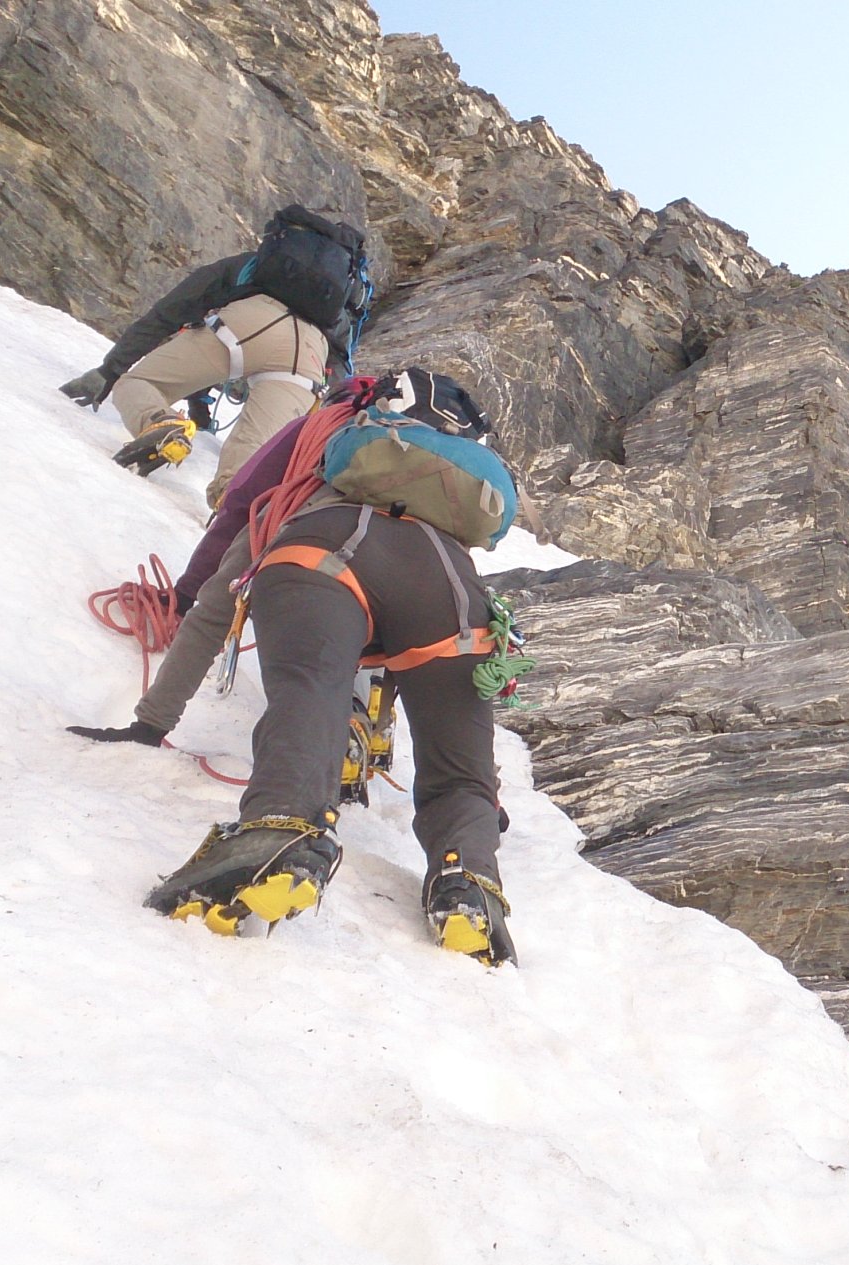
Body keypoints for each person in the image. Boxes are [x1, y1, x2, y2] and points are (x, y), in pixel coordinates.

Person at [73, 370, 519, 964]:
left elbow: (217, 598)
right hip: (450, 589)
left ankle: (281, 827)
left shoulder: (317, 450)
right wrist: (483, 791)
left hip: (323, 550)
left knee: (312, 686)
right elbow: (466, 728)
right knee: (456, 769)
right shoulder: (451, 493)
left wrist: (151, 722)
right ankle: (469, 885)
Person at [59, 206, 368, 506]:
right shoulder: (335, 307)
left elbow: (170, 312)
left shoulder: (249, 266)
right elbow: (340, 371)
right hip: (308, 355)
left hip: (245, 325)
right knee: (246, 466)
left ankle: (163, 423)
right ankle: (230, 504)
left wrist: (110, 371)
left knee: (138, 383)